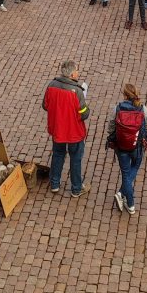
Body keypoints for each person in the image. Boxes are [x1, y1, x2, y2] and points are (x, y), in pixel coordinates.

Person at [42, 59, 90, 198]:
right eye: (77, 71)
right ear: (72, 74)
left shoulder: (51, 86)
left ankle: (55, 183)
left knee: (57, 154)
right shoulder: (78, 92)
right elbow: (84, 113)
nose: (78, 73)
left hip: (58, 129)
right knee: (75, 159)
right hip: (74, 132)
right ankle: (76, 188)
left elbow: (45, 105)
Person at [108, 84, 147, 215]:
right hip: (137, 147)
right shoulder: (143, 109)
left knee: (126, 173)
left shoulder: (117, 108)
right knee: (133, 170)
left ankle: (123, 195)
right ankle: (130, 203)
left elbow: (111, 127)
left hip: (121, 147)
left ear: (125, 95)